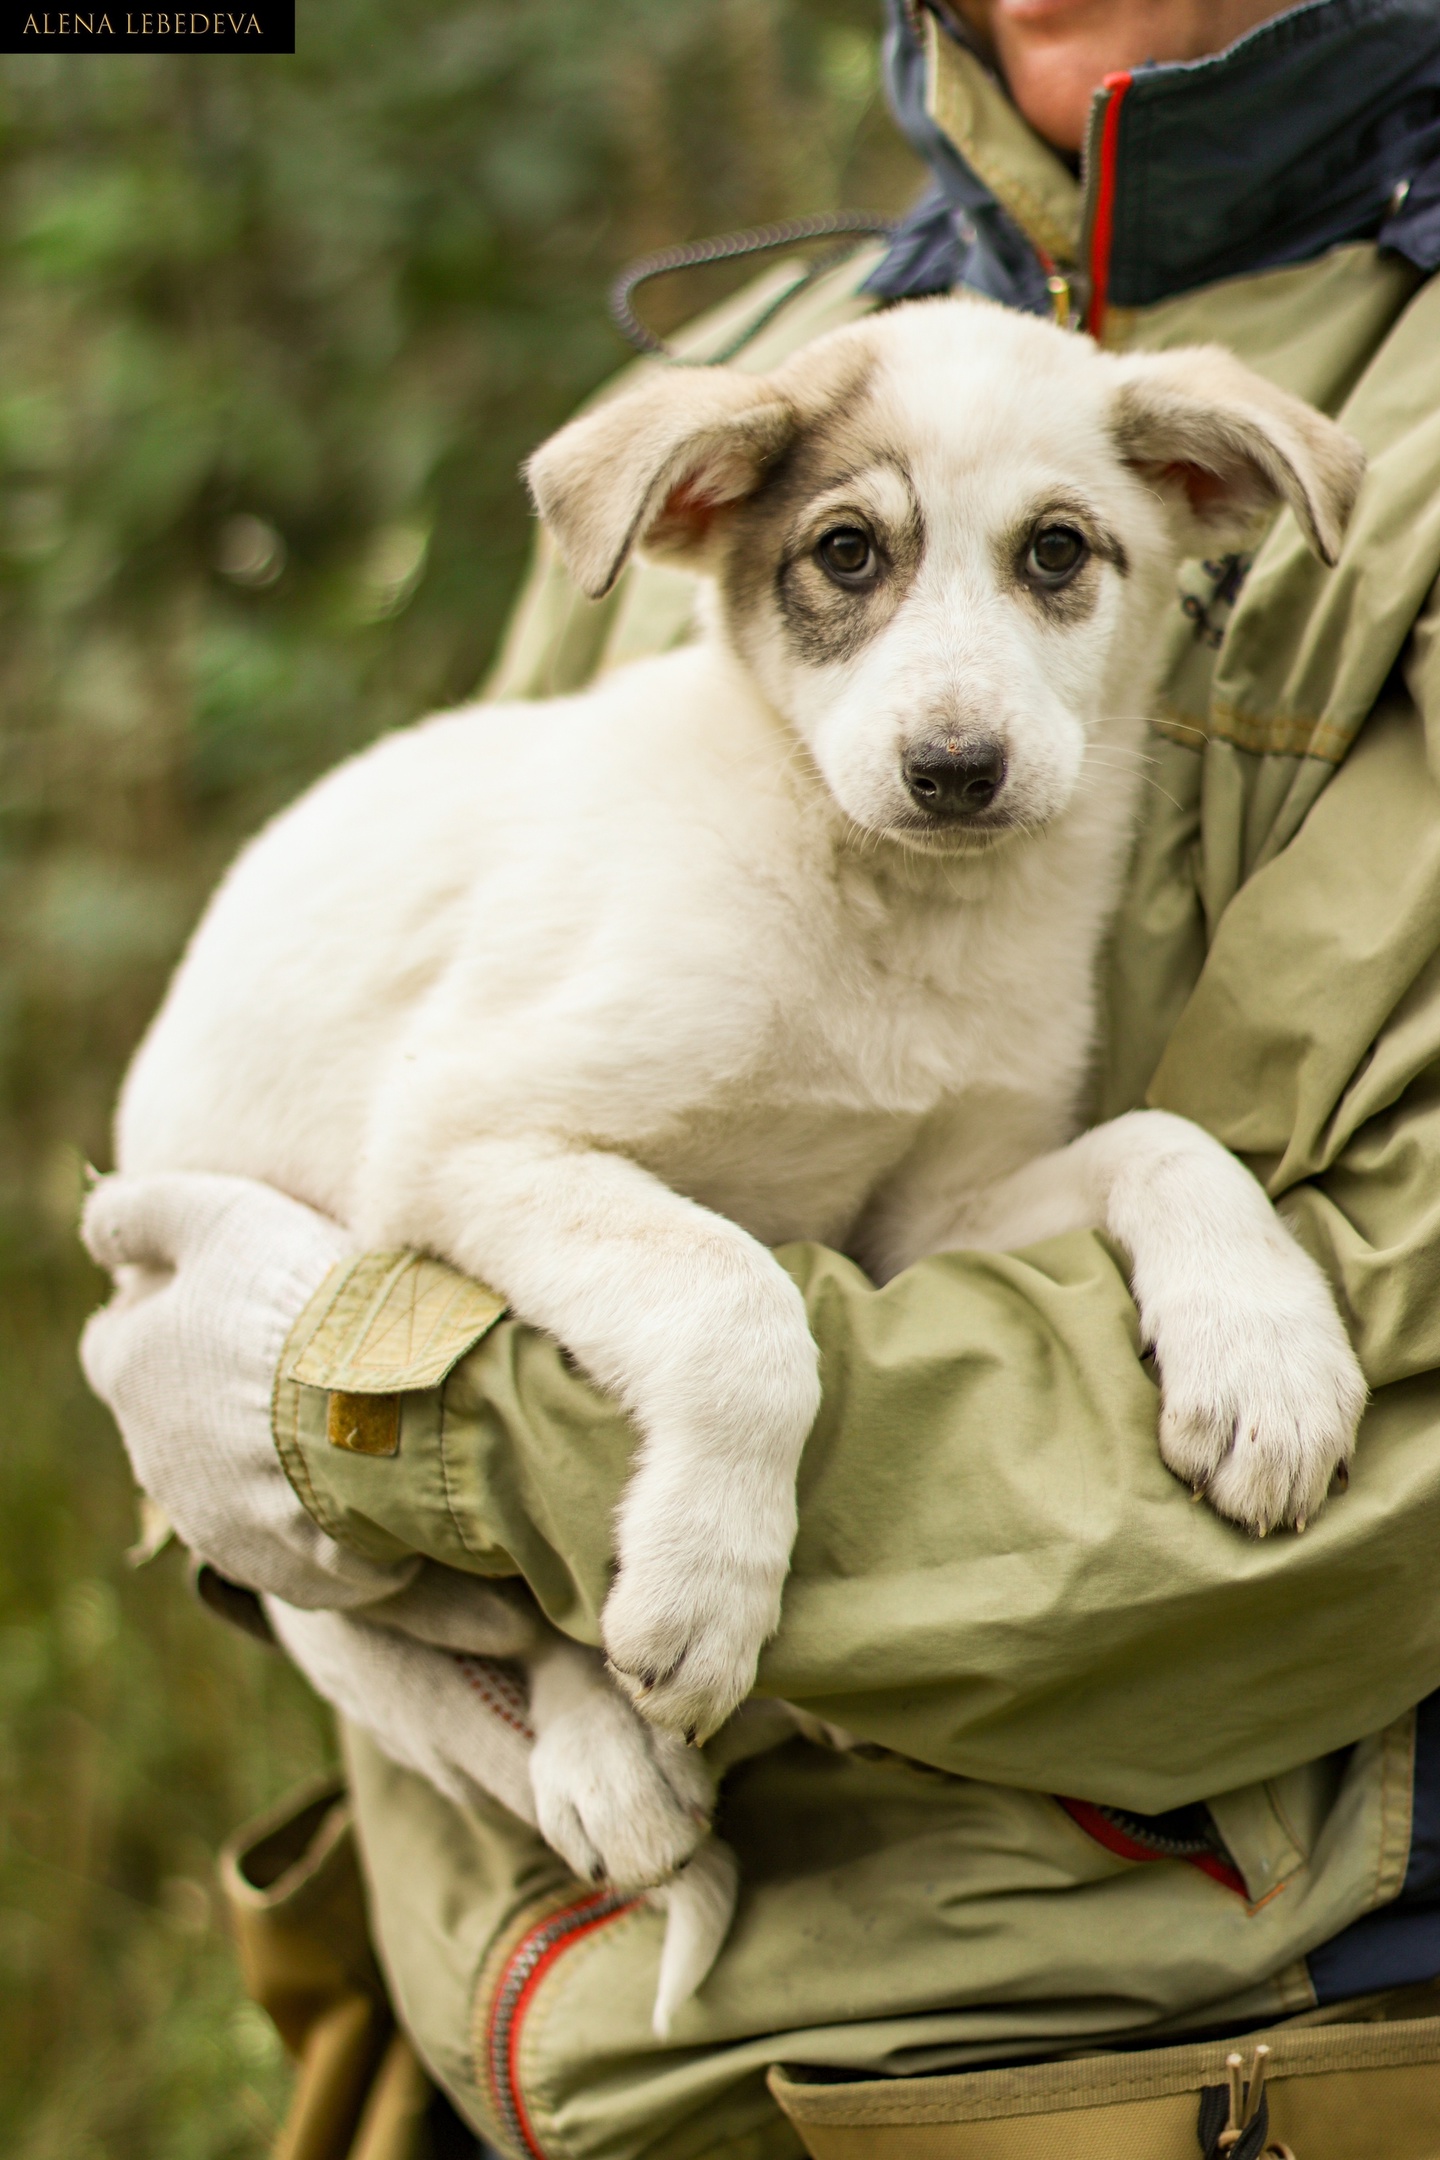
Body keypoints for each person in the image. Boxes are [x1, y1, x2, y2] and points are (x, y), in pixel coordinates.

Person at [79, 1, 1440, 2154]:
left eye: (1056, 563)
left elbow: (1046, 1317)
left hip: (1106, 2064)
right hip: (498, 2020)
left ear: (1191, 509)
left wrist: (375, 1415)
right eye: (856, 564)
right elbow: (447, 1152)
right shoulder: (771, 376)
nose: (956, 702)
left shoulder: (1334, 422)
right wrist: (312, 1494)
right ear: (740, 538)